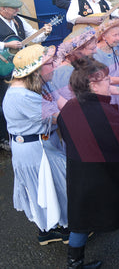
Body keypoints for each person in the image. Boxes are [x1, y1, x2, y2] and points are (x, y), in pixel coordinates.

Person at [58, 57, 119, 269]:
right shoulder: (109, 112)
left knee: (80, 221)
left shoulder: (67, 109)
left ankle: (75, 263)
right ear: (93, 85)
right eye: (106, 81)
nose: (110, 84)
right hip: (111, 174)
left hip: (79, 176)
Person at [3, 44, 68, 245]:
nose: (54, 66)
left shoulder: (38, 84)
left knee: (56, 187)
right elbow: (60, 117)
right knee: (46, 188)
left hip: (45, 142)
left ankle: (57, 228)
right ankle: (57, 231)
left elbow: (60, 103)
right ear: (35, 71)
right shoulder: (21, 96)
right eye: (49, 64)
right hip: (35, 148)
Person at [0, 0, 51, 146]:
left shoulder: (18, 20)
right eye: (14, 9)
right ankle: (5, 137)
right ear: (2, 9)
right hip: (3, 66)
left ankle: (32, 128)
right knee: (4, 100)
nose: (17, 11)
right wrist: (5, 46)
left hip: (20, 66)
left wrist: (45, 32)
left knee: (26, 94)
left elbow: (32, 36)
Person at [50, 27, 98, 108]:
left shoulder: (76, 66)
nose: (95, 51)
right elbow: (71, 102)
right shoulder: (64, 71)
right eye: (92, 49)